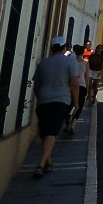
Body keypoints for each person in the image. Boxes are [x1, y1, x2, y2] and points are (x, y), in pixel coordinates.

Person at [32, 37, 79, 178]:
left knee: (45, 132)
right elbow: (74, 83)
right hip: (61, 101)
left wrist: (40, 98)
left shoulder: (43, 64)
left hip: (43, 101)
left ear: (51, 48)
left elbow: (37, 85)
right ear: (65, 47)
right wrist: (76, 101)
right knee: (52, 132)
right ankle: (40, 164)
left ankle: (49, 161)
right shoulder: (70, 62)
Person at [64, 45, 88, 136]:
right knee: (79, 107)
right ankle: (73, 126)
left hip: (70, 86)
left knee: (70, 106)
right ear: (83, 52)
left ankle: (68, 124)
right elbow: (87, 77)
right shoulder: (85, 63)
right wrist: (88, 89)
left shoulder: (70, 62)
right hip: (82, 86)